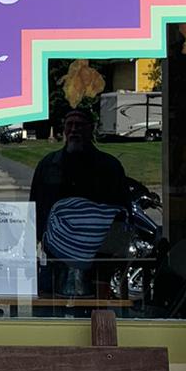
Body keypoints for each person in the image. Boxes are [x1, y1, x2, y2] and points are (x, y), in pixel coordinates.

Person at [29, 111, 129, 296]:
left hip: (96, 261)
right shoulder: (48, 165)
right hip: (54, 257)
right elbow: (35, 209)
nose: (74, 129)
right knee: (51, 305)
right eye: (70, 124)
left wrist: (108, 262)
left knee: (93, 305)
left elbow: (121, 215)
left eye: (80, 125)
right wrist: (39, 242)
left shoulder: (109, 167)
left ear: (91, 129)